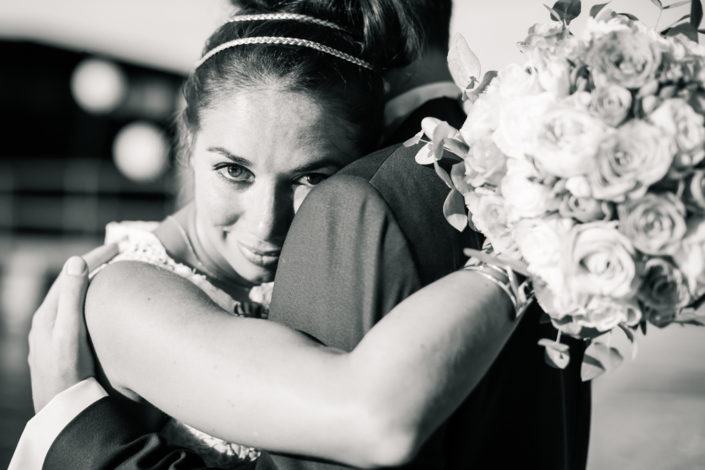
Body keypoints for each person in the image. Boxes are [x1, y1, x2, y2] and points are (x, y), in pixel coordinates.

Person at [13, 1, 591, 469]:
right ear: (187, 140)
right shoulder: (123, 297)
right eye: (233, 170)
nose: (266, 223)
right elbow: (374, 421)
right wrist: (526, 248)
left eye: (312, 177)